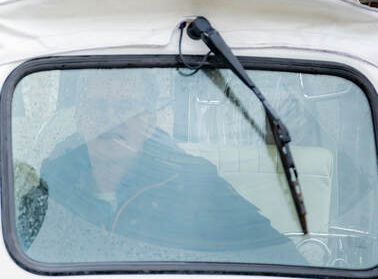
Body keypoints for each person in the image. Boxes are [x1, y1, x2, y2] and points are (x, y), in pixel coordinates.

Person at [31, 71, 298, 261]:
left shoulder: (193, 181)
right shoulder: (54, 180)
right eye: (98, 106)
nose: (110, 119)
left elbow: (278, 255)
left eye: (125, 107)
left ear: (149, 122)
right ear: (80, 118)